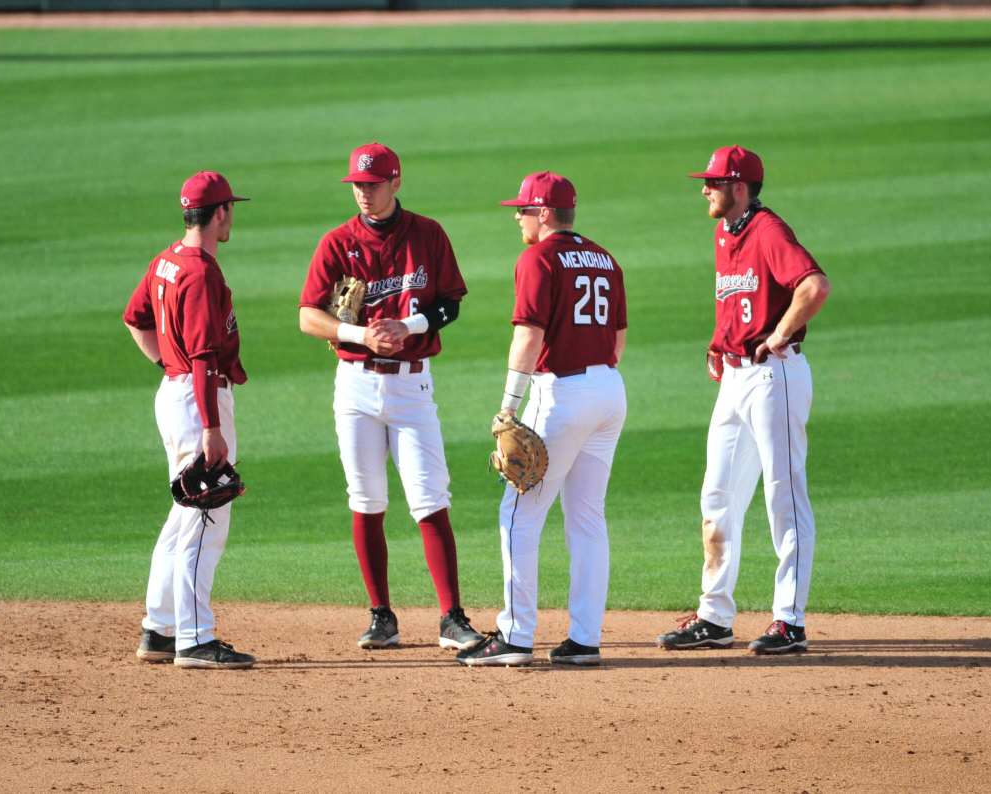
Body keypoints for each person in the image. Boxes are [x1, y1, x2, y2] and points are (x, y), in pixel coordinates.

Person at [299, 143, 485, 652]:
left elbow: (450, 304)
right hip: (355, 385)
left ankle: (452, 618)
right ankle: (382, 616)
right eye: (357, 185)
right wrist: (359, 335)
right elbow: (308, 316)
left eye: (373, 184)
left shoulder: (428, 234)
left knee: (431, 500)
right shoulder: (337, 243)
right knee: (366, 500)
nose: (363, 192)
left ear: (395, 183)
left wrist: (409, 325)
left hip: (411, 385)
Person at [656, 146, 831, 655]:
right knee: (718, 495)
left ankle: (790, 621)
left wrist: (778, 333)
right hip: (735, 379)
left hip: (774, 376)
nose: (704, 189)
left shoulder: (769, 230)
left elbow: (815, 287)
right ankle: (715, 617)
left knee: (784, 495)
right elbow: (735, 299)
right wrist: (719, 341)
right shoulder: (723, 232)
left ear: (738, 187)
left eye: (712, 183)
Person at [457, 172, 628, 668]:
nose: (518, 216)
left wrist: (509, 406)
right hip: (609, 392)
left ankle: (514, 636)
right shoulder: (605, 259)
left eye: (524, 209)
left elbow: (528, 336)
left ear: (546, 214)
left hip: (561, 396)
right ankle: (584, 639)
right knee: (588, 518)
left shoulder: (537, 258)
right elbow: (617, 341)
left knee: (518, 514)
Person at [122, 171, 256, 669]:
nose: (231, 217)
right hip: (198, 401)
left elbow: (135, 319)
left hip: (176, 394)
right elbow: (202, 356)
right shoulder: (200, 273)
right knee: (206, 518)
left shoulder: (167, 260)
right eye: (230, 209)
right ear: (219, 212)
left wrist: (169, 367)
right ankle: (195, 639)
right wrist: (210, 427)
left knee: (184, 518)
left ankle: (159, 629)